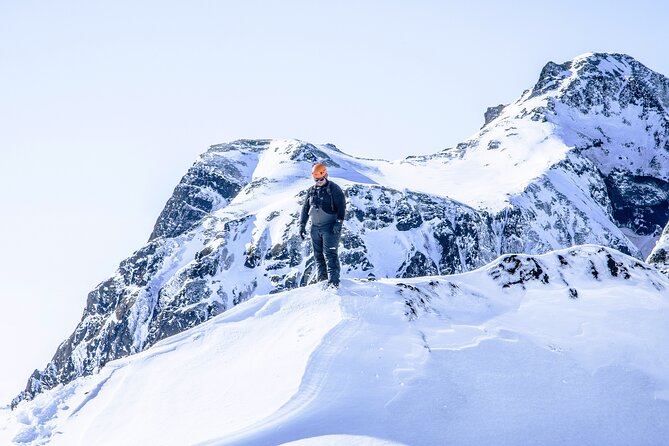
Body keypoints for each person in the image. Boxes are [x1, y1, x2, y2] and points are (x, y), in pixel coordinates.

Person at [299, 163, 346, 288]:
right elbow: (305, 209)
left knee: (330, 255)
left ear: (325, 175)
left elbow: (342, 206)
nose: (318, 182)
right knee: (318, 256)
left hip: (330, 227)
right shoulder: (311, 191)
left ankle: (334, 283)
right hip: (315, 228)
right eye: (316, 180)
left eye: (321, 179)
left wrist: (339, 223)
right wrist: (302, 225)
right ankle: (322, 282)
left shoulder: (334, 189)